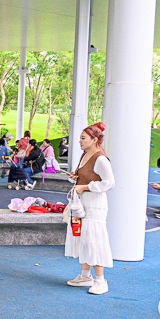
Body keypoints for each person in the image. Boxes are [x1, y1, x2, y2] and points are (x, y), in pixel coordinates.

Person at [64, 122, 115, 295]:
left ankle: (101, 280)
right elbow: (84, 178)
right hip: (81, 202)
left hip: (94, 204)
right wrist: (75, 178)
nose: (79, 141)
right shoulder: (84, 155)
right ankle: (85, 275)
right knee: (82, 236)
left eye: (83, 138)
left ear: (94, 140)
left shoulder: (100, 159)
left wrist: (84, 186)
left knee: (94, 237)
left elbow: (109, 183)